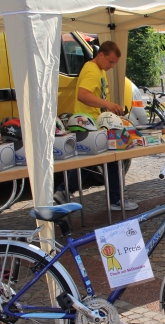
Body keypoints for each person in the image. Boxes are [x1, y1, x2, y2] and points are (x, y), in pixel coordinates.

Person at [54, 41, 138, 211]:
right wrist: (107, 105)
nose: (112, 66)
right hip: (89, 124)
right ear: (101, 55)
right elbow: (82, 95)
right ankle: (114, 199)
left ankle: (65, 191)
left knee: (100, 161)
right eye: (111, 61)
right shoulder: (92, 70)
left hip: (93, 124)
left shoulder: (98, 70)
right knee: (109, 159)